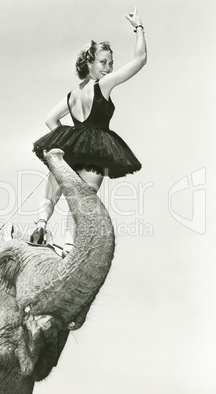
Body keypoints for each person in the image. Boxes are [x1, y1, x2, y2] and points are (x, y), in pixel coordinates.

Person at [30, 7, 147, 257]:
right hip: (97, 150)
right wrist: (139, 28)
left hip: (71, 147)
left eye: (111, 63)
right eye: (103, 62)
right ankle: (70, 246)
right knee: (84, 198)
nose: (108, 68)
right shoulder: (102, 85)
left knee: (53, 193)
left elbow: (50, 119)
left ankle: (41, 224)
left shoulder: (73, 93)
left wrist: (67, 142)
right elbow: (140, 60)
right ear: (91, 63)